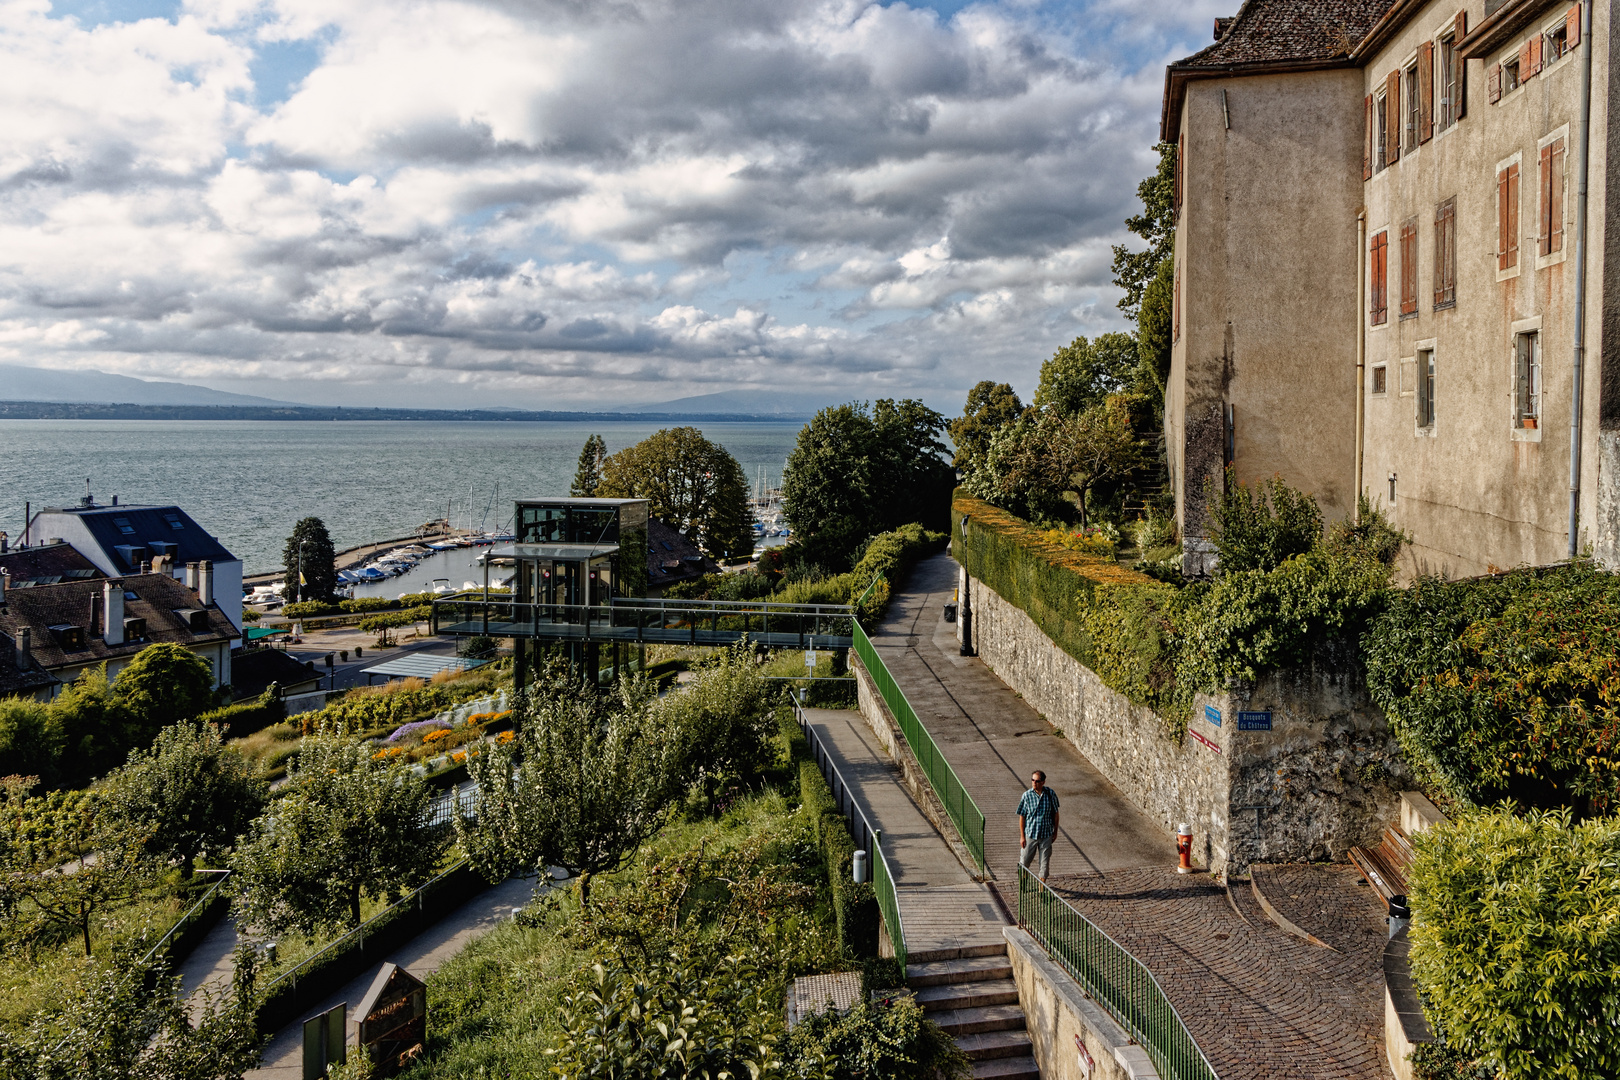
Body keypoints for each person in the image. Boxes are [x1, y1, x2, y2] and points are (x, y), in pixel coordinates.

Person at [1017, 770, 1059, 881]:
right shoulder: (1026, 796)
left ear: (1043, 782)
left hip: (1046, 835)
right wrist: (1022, 836)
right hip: (1030, 834)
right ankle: (1023, 883)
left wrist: (1055, 832)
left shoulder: (1050, 794)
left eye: (1037, 781)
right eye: (1032, 780)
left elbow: (1056, 813)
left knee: (1044, 865)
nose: (1034, 783)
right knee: (1024, 862)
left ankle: (1042, 891)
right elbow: (1022, 816)